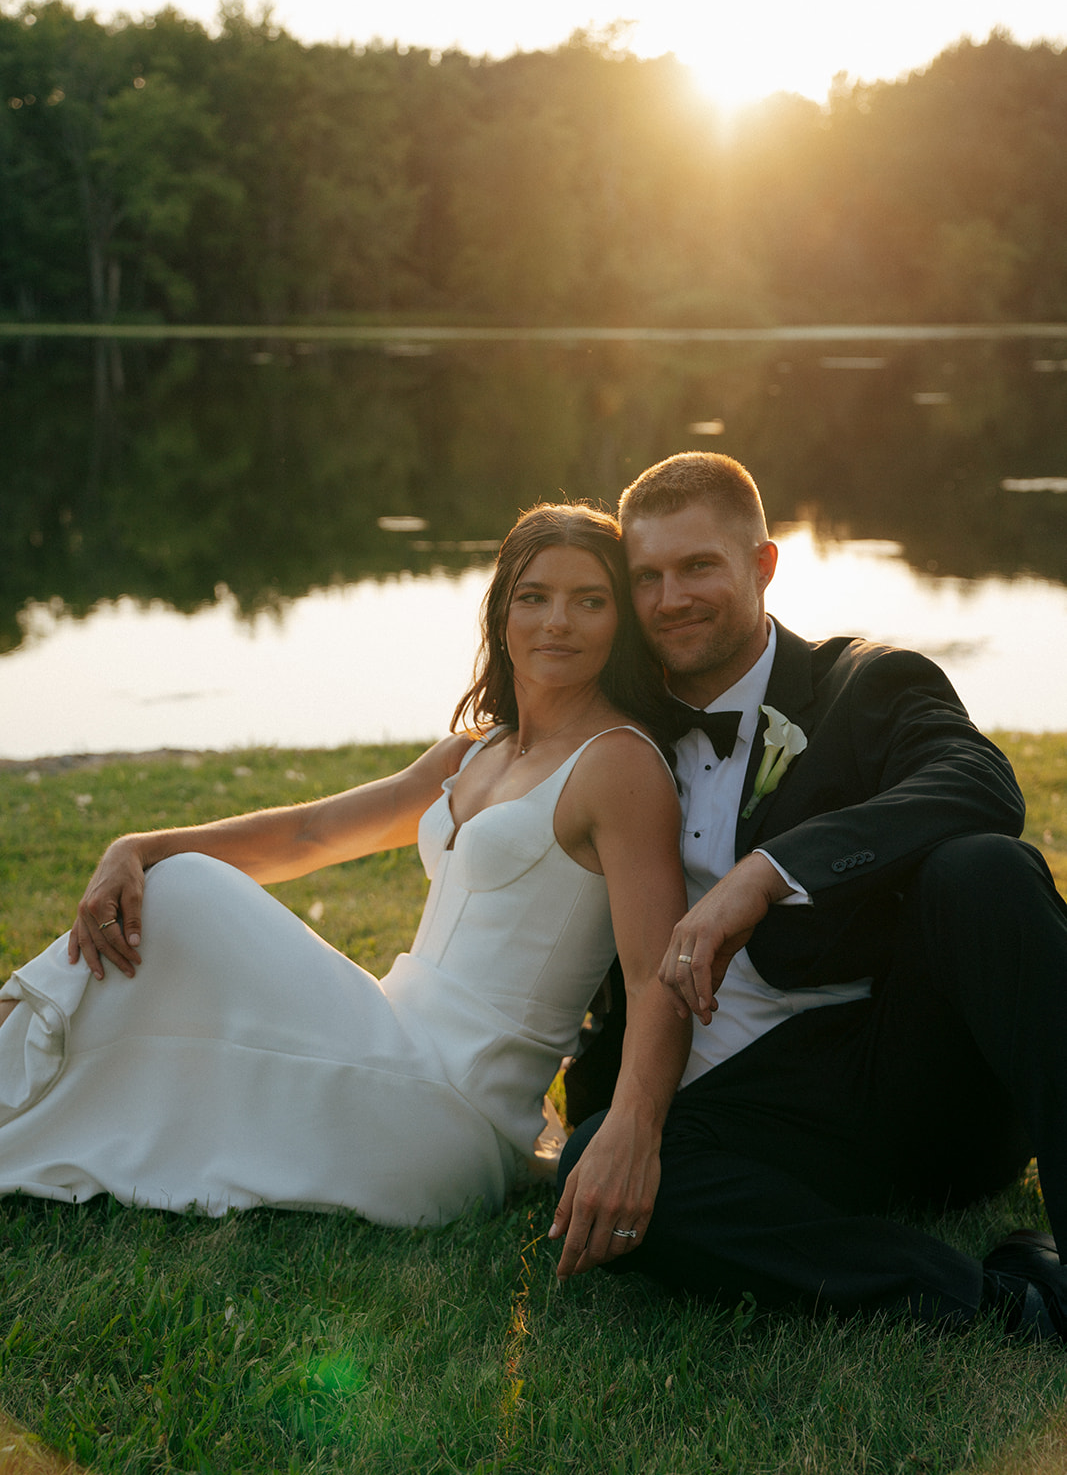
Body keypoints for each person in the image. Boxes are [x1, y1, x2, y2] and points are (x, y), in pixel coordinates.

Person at [0, 504, 691, 1270]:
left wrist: (634, 1128)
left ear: (618, 621)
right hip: (390, 1046)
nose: (557, 621)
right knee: (160, 945)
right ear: (500, 614)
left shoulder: (618, 764)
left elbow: (654, 973)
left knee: (187, 891)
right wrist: (136, 845)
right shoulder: (477, 752)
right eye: (533, 596)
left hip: (450, 1117)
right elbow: (311, 834)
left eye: (588, 600)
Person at [553, 452, 1067, 1337]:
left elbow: (979, 780)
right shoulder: (617, 724)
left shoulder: (863, 684)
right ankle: (994, 1302)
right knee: (610, 1179)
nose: (671, 598)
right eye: (647, 577)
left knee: (979, 869)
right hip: (766, 1114)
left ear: (762, 566)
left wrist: (765, 875)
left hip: (912, 1076)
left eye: (699, 567)